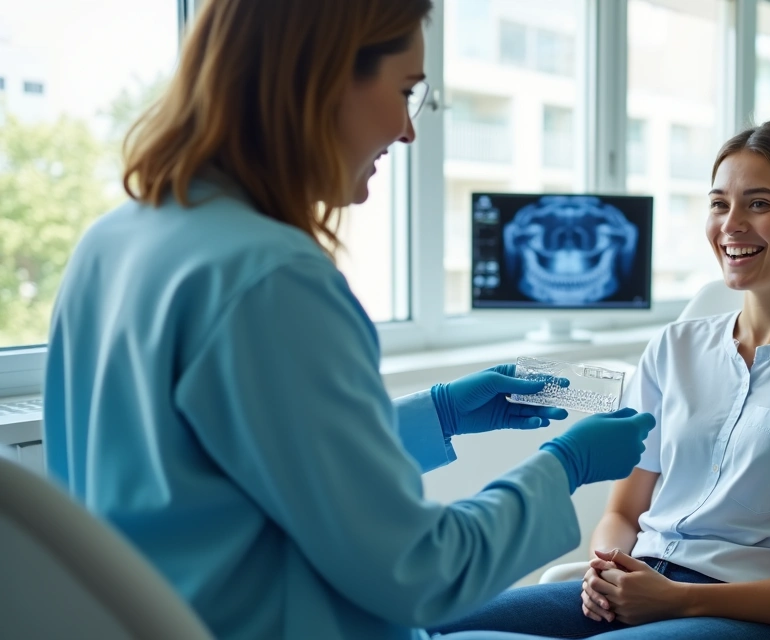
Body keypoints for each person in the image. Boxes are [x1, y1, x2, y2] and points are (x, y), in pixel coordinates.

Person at [39, 1, 655, 639]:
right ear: (321, 78)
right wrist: (567, 465)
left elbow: (238, 464)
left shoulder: (113, 240)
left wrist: (438, 415)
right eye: (405, 92)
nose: (409, 131)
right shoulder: (272, 278)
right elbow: (421, 570)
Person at [430, 120, 770, 640]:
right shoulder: (674, 346)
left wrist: (681, 601)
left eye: (759, 204)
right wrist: (607, 566)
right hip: (644, 583)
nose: (731, 224)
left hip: (754, 618)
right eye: (719, 204)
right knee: (422, 624)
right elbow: (623, 510)